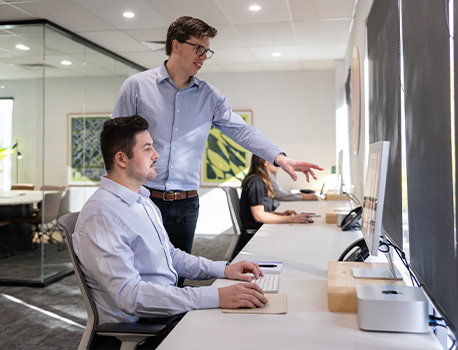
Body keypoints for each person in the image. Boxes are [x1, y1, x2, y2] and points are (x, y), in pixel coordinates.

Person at [111, 15, 323, 262]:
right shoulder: (136, 86)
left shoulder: (210, 96)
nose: (203, 57)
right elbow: (115, 141)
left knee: (179, 274)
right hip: (143, 198)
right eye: (198, 48)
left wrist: (280, 158)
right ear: (175, 45)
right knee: (139, 272)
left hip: (186, 205)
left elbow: (242, 131)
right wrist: (112, 197)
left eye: (207, 51)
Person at [74, 116, 267, 350]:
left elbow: (171, 256)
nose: (156, 154)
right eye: (147, 149)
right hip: (140, 329)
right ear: (121, 159)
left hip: (163, 307)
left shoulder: (142, 201)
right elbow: (131, 298)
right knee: (238, 333)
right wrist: (215, 297)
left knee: (248, 318)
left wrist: (224, 269)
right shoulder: (102, 215)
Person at [236, 155, 313, 256]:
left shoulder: (261, 181)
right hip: (253, 237)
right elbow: (259, 216)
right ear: (265, 162)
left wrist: (280, 214)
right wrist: (291, 219)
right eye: (276, 161)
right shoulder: (256, 182)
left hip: (259, 230)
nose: (280, 164)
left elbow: (260, 211)